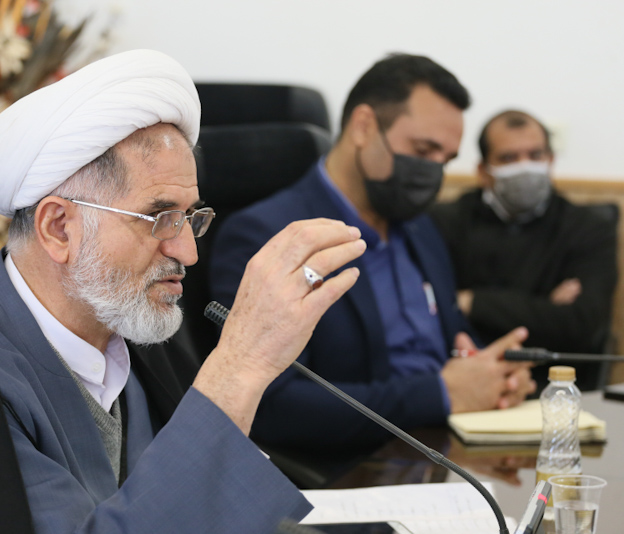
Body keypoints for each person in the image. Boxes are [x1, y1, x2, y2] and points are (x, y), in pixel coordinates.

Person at [0, 50, 368, 533]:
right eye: (160, 218)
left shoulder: (138, 337)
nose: (187, 252)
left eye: (190, 217)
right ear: (59, 228)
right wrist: (241, 365)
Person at [210, 54, 535, 454]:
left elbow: (453, 337)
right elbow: (271, 403)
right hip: (357, 464)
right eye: (423, 150)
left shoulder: (421, 228)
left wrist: (493, 374)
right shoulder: (267, 236)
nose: (434, 172)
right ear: (363, 126)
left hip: (450, 449)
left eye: (446, 160)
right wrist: (440, 393)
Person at [429, 110, 617, 389]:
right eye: (508, 158)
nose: (525, 167)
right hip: (461, 381)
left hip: (553, 387)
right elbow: (434, 314)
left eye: (535, 155)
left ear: (550, 160)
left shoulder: (588, 227)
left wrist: (472, 301)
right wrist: (544, 307)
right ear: (483, 171)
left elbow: (580, 326)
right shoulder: (444, 222)